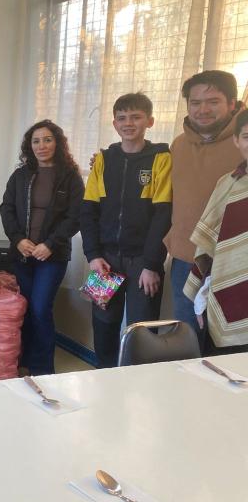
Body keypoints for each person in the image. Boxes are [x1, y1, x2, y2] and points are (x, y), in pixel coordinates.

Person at [80, 93, 172, 368]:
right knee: (103, 324)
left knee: (142, 330)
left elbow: (163, 215)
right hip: (105, 260)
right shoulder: (103, 160)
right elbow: (88, 211)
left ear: (150, 121)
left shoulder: (161, 159)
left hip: (143, 262)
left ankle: (138, 384)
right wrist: (93, 255)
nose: (128, 123)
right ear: (114, 123)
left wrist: (152, 264)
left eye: (136, 117)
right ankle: (104, 375)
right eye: (122, 118)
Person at [166, 70, 244, 348]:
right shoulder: (178, 145)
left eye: (213, 101)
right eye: (195, 102)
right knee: (187, 337)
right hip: (186, 258)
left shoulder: (243, 142)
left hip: (232, 261)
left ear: (232, 103)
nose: (203, 110)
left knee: (229, 342)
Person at [0, 120, 84, 375]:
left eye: (47, 140)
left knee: (39, 308)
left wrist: (50, 244)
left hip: (53, 256)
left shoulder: (70, 177)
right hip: (22, 254)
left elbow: (76, 216)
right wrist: (18, 239)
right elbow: (7, 208)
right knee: (24, 308)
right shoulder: (20, 175)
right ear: (30, 146)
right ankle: (22, 362)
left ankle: (43, 370)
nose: (42, 145)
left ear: (57, 143)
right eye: (36, 141)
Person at [184, 109, 248, 354]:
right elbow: (208, 249)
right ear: (237, 140)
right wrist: (202, 298)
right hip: (227, 296)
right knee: (222, 371)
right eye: (247, 136)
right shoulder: (228, 183)